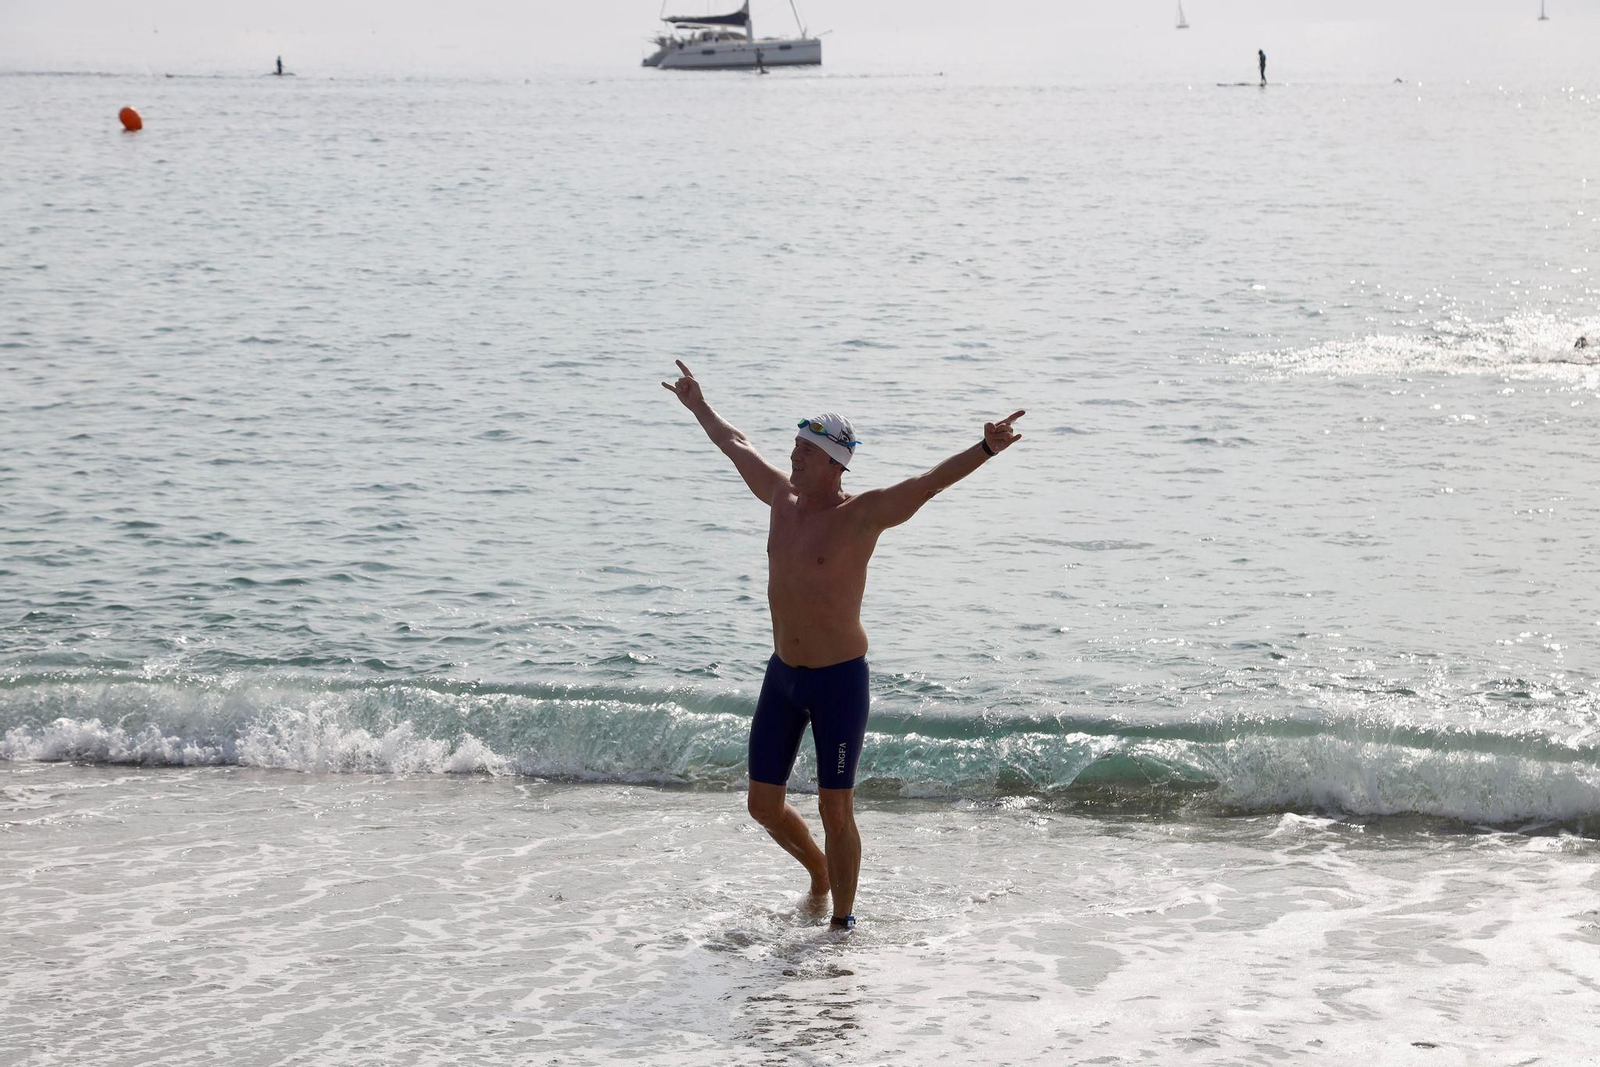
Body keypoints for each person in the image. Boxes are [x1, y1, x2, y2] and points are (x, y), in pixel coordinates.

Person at [661, 360, 1024, 931]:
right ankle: (820, 875)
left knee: (837, 809)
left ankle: (843, 928)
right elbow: (735, 444)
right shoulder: (780, 499)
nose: (793, 456)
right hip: (783, 676)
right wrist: (699, 405)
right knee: (762, 805)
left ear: (836, 463)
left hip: (838, 682)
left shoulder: (862, 516)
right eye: (795, 446)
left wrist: (985, 448)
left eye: (805, 449)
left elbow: (927, 484)